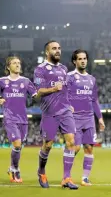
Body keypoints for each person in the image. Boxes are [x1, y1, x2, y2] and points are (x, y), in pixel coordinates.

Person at [34, 40, 78, 189]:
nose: (57, 50)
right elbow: (38, 92)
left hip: (65, 109)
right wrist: (53, 89)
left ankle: (67, 178)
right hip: (49, 111)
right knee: (47, 145)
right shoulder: (40, 69)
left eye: (59, 48)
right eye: (54, 48)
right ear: (47, 52)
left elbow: (65, 89)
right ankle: (41, 171)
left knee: (71, 141)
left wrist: (69, 103)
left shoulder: (64, 68)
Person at [0, 56, 37, 183]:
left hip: (23, 119)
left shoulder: (26, 81)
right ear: (8, 67)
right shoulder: (2, 81)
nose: (18, 65)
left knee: (18, 147)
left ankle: (11, 167)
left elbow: (36, 95)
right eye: (14, 63)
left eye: (19, 63)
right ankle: (16, 170)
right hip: (9, 117)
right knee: (17, 144)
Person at [67, 49, 105, 186]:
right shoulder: (69, 77)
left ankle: (85, 178)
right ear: (74, 61)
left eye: (84, 59)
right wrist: (66, 106)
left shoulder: (92, 79)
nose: (83, 61)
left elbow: (94, 100)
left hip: (89, 119)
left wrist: (99, 118)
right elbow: (62, 95)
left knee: (89, 148)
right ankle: (67, 176)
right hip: (74, 118)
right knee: (75, 148)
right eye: (80, 59)